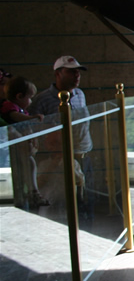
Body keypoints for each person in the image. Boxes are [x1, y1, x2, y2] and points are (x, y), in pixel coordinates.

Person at [30, 56, 94, 226]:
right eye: (71, 72)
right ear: (58, 74)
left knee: (85, 200)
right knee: (64, 203)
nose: (77, 75)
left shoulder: (80, 95)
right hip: (60, 161)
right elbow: (34, 131)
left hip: (83, 155)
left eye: (78, 72)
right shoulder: (42, 100)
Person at [1, 76, 49, 207]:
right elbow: (14, 116)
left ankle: (32, 192)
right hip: (12, 150)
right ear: (19, 96)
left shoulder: (21, 109)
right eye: (30, 97)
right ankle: (31, 193)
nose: (31, 101)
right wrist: (31, 118)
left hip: (21, 150)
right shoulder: (9, 106)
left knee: (30, 165)